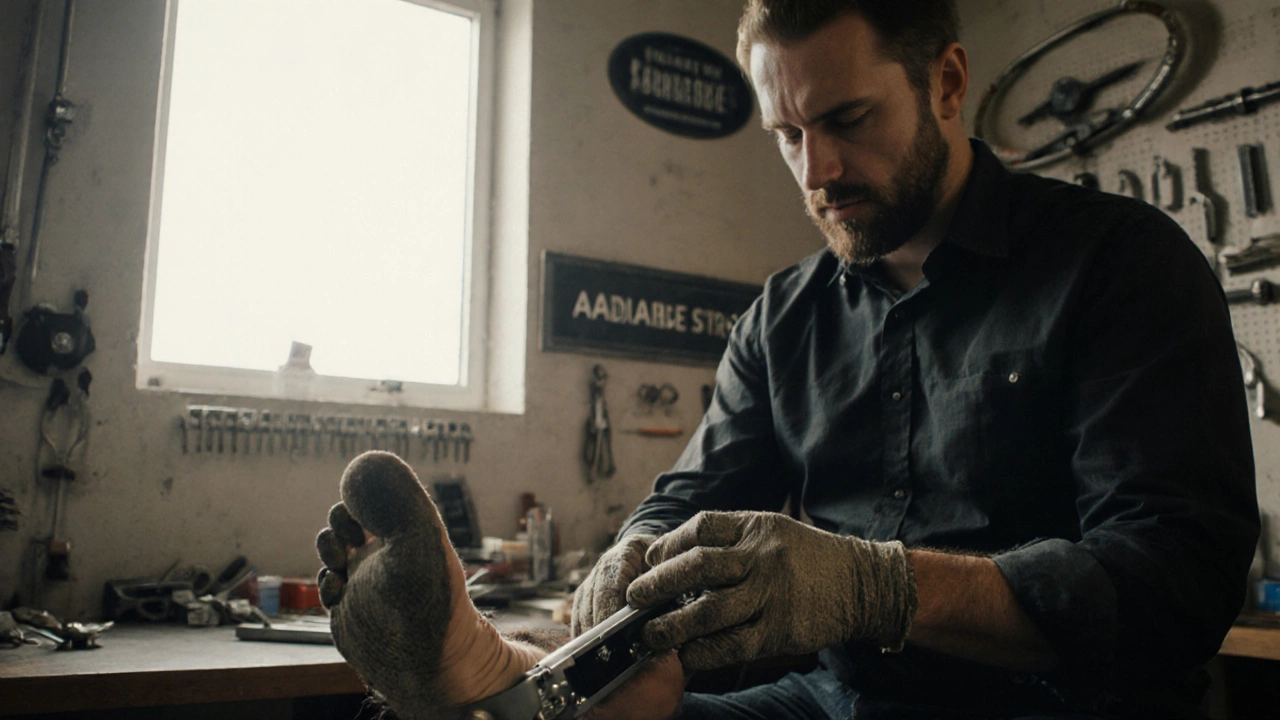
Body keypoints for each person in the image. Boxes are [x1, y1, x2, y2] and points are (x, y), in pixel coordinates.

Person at [316, 1, 1260, 718]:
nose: (817, 171)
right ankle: (515, 680)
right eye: (787, 134)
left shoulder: (1120, 264)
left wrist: (875, 586)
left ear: (946, 82)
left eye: (848, 119)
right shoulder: (783, 317)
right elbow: (692, 496)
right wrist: (630, 562)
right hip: (839, 705)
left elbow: (1173, 582)